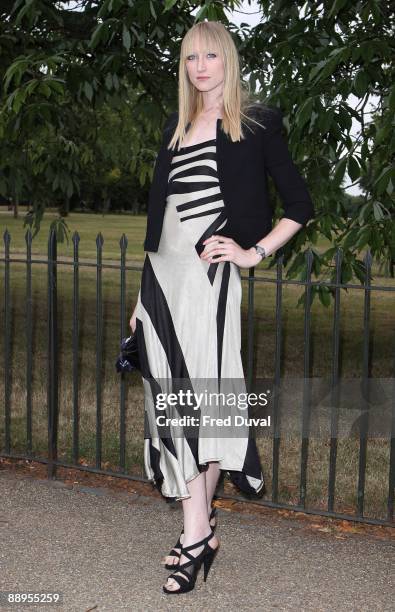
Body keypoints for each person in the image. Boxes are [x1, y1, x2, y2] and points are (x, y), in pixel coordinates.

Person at [129, 21, 314, 595]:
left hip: (209, 283)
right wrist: (139, 303)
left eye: (211, 55)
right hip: (163, 280)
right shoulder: (173, 127)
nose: (200, 66)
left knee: (204, 402)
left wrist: (253, 252)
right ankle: (201, 531)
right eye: (190, 58)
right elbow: (159, 226)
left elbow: (301, 206)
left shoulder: (255, 124)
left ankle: (194, 535)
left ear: (228, 60)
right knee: (176, 403)